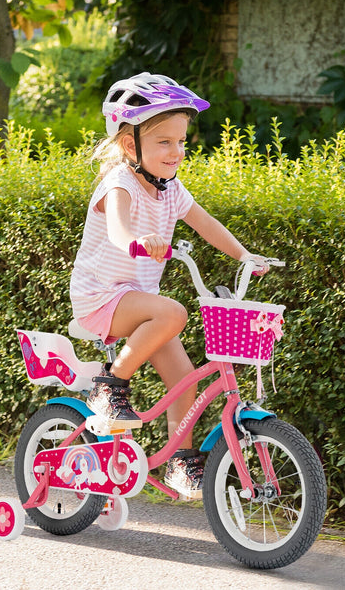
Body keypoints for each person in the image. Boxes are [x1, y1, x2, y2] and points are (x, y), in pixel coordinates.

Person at [69, 72, 269, 499]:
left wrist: (244, 255)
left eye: (181, 141)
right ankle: (109, 386)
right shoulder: (119, 183)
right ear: (130, 145)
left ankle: (180, 459)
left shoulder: (170, 189)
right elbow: (121, 229)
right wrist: (139, 243)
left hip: (137, 304)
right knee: (173, 312)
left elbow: (206, 224)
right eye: (164, 142)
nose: (176, 151)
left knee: (185, 376)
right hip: (100, 296)